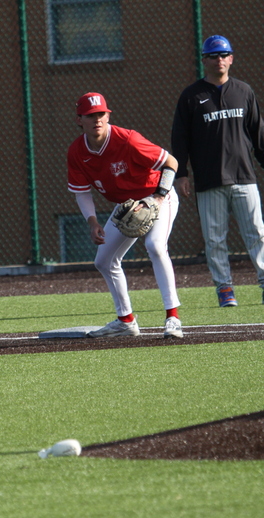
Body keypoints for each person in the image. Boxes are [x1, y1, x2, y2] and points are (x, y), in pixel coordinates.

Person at [67, 92, 183, 338]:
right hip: (127, 206)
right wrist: (92, 221)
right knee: (103, 261)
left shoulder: (127, 140)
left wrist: (158, 198)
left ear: (108, 115)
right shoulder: (77, 152)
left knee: (155, 246)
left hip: (158, 195)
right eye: (90, 116)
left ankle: (173, 318)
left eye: (101, 114)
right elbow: (81, 191)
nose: (97, 119)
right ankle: (126, 321)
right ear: (79, 120)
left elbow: (171, 162)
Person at [171, 35, 264, 307]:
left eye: (224, 54)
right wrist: (182, 173)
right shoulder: (191, 96)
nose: (219, 59)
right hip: (209, 180)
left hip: (244, 176)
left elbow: (258, 133)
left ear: (231, 58)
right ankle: (224, 288)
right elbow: (180, 138)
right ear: (205, 60)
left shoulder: (244, 91)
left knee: (257, 233)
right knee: (214, 239)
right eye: (213, 55)